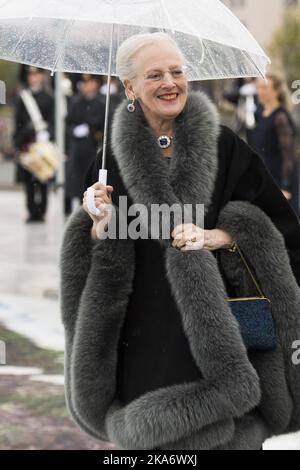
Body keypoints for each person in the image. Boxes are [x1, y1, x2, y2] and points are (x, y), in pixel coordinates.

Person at [60, 33, 300, 450]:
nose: (171, 82)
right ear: (130, 87)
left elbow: (279, 231)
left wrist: (217, 237)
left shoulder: (227, 148)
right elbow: (100, 248)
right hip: (142, 343)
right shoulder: (108, 161)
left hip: (223, 341)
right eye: (155, 75)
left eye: (177, 71)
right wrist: (98, 221)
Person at [254, 72, 300, 218]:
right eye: (258, 87)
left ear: (276, 91)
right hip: (267, 179)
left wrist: (285, 187)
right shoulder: (262, 115)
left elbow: (289, 155)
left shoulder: (281, 117)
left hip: (281, 182)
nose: (260, 91)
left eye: (264, 87)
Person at [14, 66, 54, 222]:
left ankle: (42, 210)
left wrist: (48, 133)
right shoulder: (22, 98)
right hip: (27, 144)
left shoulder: (49, 98)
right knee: (28, 180)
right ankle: (31, 211)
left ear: (42, 77)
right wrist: (23, 134)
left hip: (43, 144)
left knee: (43, 179)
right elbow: (18, 122)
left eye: (37, 74)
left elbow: (53, 121)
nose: (34, 78)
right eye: (31, 75)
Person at [65, 74, 105, 213]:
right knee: (75, 179)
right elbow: (68, 123)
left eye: (90, 82)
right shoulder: (76, 102)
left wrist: (92, 129)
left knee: (91, 177)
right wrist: (74, 130)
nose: (87, 86)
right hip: (78, 148)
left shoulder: (102, 102)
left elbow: (103, 124)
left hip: (93, 147)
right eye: (84, 83)